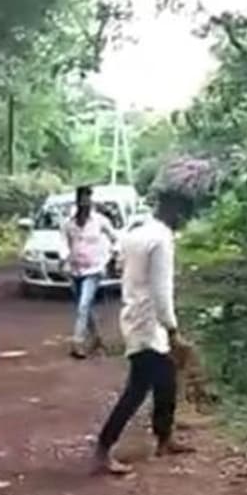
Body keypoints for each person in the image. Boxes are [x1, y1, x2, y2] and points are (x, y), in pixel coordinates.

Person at [91, 193, 192, 475]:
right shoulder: (162, 240)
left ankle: (164, 437)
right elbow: (161, 291)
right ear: (177, 213)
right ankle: (103, 447)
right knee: (137, 388)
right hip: (149, 324)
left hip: (135, 315)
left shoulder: (136, 233)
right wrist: (172, 330)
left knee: (167, 379)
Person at [63, 185, 118, 359]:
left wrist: (111, 257)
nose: (85, 205)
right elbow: (63, 243)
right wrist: (63, 258)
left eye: (88, 201)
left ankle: (77, 343)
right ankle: (96, 338)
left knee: (83, 305)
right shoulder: (68, 223)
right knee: (85, 307)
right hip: (75, 270)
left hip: (94, 269)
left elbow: (115, 238)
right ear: (77, 202)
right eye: (82, 201)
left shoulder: (100, 221)